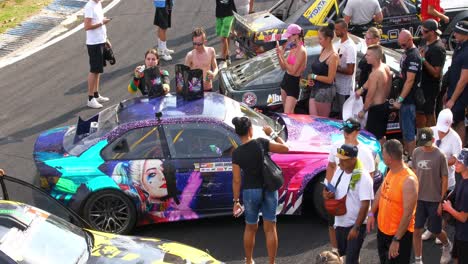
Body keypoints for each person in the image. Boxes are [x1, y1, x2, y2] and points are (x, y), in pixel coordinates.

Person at [231, 116, 289, 264]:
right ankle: (271, 262)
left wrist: (236, 201)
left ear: (238, 133)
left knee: (250, 228)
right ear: (250, 130)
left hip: (250, 192)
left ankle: (249, 260)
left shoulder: (236, 154)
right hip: (268, 188)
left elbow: (237, 180)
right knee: (270, 228)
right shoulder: (261, 143)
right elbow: (285, 148)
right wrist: (272, 134)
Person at [325, 118, 376, 251]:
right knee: (332, 225)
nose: (345, 134)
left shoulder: (365, 152)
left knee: (353, 244)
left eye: (349, 131)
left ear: (357, 132)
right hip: (336, 198)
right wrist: (328, 187)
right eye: (344, 131)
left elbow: (369, 181)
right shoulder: (336, 145)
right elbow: (331, 166)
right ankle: (335, 252)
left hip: (354, 202)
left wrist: (370, 212)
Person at [367, 139, 418, 264]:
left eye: (383, 154)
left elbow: (408, 214)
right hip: (383, 232)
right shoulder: (391, 171)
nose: (381, 156)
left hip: (398, 236)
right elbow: (380, 191)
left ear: (389, 158)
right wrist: (371, 213)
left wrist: (396, 240)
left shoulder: (408, 181)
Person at [324, 144, 374, 263]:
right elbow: (331, 188)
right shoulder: (339, 172)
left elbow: (365, 204)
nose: (340, 162)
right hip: (340, 224)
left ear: (353, 159)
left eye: (343, 160)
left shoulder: (363, 177)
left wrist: (356, 228)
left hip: (355, 226)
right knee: (345, 257)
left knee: (350, 260)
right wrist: (326, 194)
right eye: (339, 159)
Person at [112, 159, 201, 223]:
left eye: (163, 170)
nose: (163, 176)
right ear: (139, 183)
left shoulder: (170, 207)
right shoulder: (148, 216)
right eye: (152, 174)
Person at [411, 128, 451, 264]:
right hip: (419, 199)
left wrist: (441, 201)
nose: (425, 146)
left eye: (427, 143)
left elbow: (445, 179)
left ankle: (447, 246)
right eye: (422, 143)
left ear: (433, 140)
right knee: (416, 230)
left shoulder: (440, 155)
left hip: (434, 200)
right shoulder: (416, 152)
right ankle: (418, 260)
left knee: (436, 231)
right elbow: (414, 174)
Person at [422, 109, 463, 243]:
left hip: (447, 180)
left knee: (442, 208)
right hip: (430, 179)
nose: (441, 131)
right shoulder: (430, 131)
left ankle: (439, 230)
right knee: (430, 205)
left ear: (450, 125)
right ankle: (430, 228)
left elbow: (456, 160)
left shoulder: (456, 139)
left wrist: (440, 160)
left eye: (445, 128)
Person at [392, 30, 421, 159]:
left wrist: (400, 99)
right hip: (404, 100)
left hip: (409, 100)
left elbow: (410, 80)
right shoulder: (407, 52)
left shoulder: (413, 56)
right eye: (400, 44)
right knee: (404, 130)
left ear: (410, 40)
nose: (402, 47)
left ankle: (411, 159)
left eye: (404, 44)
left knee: (409, 132)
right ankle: (407, 155)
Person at [356, 44, 392, 145]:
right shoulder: (385, 67)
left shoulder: (375, 74)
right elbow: (389, 87)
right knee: (382, 135)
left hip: (376, 110)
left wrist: (363, 110)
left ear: (375, 57)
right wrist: (362, 89)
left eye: (368, 55)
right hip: (384, 105)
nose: (365, 57)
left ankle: (378, 159)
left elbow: (370, 96)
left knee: (373, 138)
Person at [416, 19, 446, 129]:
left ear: (432, 32)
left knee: (429, 113)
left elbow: (436, 73)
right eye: (422, 31)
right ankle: (422, 139)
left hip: (431, 87)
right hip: (421, 85)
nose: (422, 33)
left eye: (425, 31)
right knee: (420, 113)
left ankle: (433, 138)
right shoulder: (424, 41)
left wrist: (423, 60)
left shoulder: (438, 48)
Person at [442, 148, 468, 264]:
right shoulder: (462, 178)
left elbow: (463, 217)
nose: (455, 164)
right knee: (456, 258)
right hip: (460, 233)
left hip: (465, 236)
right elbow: (453, 194)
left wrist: (449, 208)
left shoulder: (467, 189)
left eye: (459, 162)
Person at [84, 0, 111, 109]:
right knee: (94, 70)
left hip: (100, 40)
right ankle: (90, 98)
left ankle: (96, 94)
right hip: (94, 43)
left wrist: (106, 39)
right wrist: (102, 23)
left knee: (98, 69)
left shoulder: (98, 4)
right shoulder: (89, 6)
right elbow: (87, 26)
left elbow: (100, 22)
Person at [307, 23, 339, 117]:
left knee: (320, 122)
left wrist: (314, 76)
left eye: (320, 38)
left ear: (328, 39)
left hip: (324, 93)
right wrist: (311, 80)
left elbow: (330, 79)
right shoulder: (323, 50)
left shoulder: (333, 56)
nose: (319, 41)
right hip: (315, 90)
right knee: (313, 120)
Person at [276, 24, 307, 114]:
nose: (288, 38)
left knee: (288, 114)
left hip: (294, 83)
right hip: (286, 80)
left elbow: (293, 71)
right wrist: (279, 56)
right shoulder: (293, 48)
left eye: (289, 36)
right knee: (287, 113)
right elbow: (283, 67)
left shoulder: (302, 50)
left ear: (296, 36)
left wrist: (282, 55)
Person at [445, 21, 468, 146]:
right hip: (453, 90)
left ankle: (459, 150)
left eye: (458, 32)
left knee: (457, 122)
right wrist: (448, 91)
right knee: (458, 121)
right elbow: (453, 70)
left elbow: (464, 79)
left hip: (462, 94)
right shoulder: (459, 46)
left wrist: (453, 99)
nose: (455, 34)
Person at [333, 19, 357, 118]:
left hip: (345, 89)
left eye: (337, 29)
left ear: (344, 30)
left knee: (344, 116)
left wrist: (334, 68)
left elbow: (350, 71)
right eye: (335, 29)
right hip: (336, 86)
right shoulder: (338, 43)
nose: (335, 31)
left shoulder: (350, 47)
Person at [185, 27, 219, 92]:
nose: (196, 46)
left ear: (204, 42)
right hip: (195, 89)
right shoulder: (190, 55)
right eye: (194, 44)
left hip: (208, 87)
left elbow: (215, 68)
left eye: (199, 44)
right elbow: (185, 74)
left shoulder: (211, 51)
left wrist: (213, 74)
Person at [216, 0, 237, 69]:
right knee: (225, 36)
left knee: (223, 37)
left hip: (228, 15)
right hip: (219, 14)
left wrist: (233, 28)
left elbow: (233, 5)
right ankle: (227, 55)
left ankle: (224, 60)